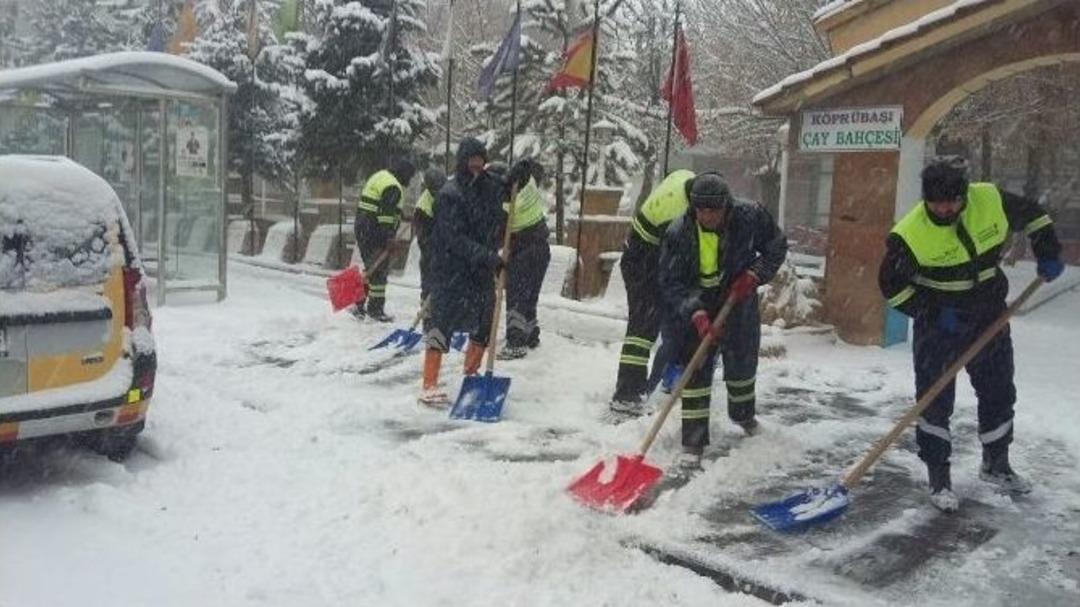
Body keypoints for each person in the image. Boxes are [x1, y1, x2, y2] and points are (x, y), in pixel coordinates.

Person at [878, 157, 1064, 513]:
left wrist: (1048, 249)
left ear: (964, 195)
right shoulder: (909, 235)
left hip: (989, 315)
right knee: (934, 399)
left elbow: (1034, 215)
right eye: (936, 203)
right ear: (926, 199)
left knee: (998, 389)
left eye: (953, 201)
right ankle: (938, 476)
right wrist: (931, 313)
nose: (945, 209)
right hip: (941, 324)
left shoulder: (989, 199)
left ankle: (996, 464)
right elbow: (891, 286)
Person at [658, 173, 787, 473]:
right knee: (696, 372)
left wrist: (755, 274)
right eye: (701, 210)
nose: (707, 216)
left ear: (726, 206)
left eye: (714, 210)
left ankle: (743, 416)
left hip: (737, 299)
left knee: (742, 364)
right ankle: (693, 442)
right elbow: (671, 281)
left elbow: (776, 245)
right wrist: (697, 313)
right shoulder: (679, 233)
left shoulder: (749, 216)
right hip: (699, 303)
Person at [419, 137, 508, 407]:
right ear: (461, 162)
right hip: (450, 270)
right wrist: (488, 257)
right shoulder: (449, 194)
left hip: (479, 272)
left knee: (485, 320)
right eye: (472, 161)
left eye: (481, 161)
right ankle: (429, 383)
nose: (477, 166)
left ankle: (472, 373)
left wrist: (519, 175)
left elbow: (503, 187)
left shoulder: (485, 187)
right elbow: (453, 239)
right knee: (441, 323)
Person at [609, 169, 696, 418]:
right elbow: (674, 262)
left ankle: (655, 380)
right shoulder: (676, 216)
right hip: (643, 261)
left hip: (648, 253)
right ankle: (626, 394)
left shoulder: (686, 179)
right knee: (642, 329)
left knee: (662, 322)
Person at [485, 159, 551, 360]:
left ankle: (516, 343)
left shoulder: (504, 201)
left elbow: (497, 235)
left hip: (524, 249)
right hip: (541, 248)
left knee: (516, 296)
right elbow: (530, 167)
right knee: (529, 296)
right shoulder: (526, 185)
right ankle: (531, 335)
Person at [354, 157, 416, 322]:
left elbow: (381, 205)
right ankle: (376, 310)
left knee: (371, 268)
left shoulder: (381, 176)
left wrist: (402, 216)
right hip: (375, 231)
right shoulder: (393, 187)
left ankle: (358, 304)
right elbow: (386, 216)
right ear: (403, 174)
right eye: (409, 176)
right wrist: (389, 239)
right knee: (379, 271)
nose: (409, 181)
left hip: (363, 228)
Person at [412, 167, 447, 305]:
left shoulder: (447, 194)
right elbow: (423, 236)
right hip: (430, 248)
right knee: (429, 277)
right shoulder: (423, 207)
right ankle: (427, 309)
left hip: (445, 246)